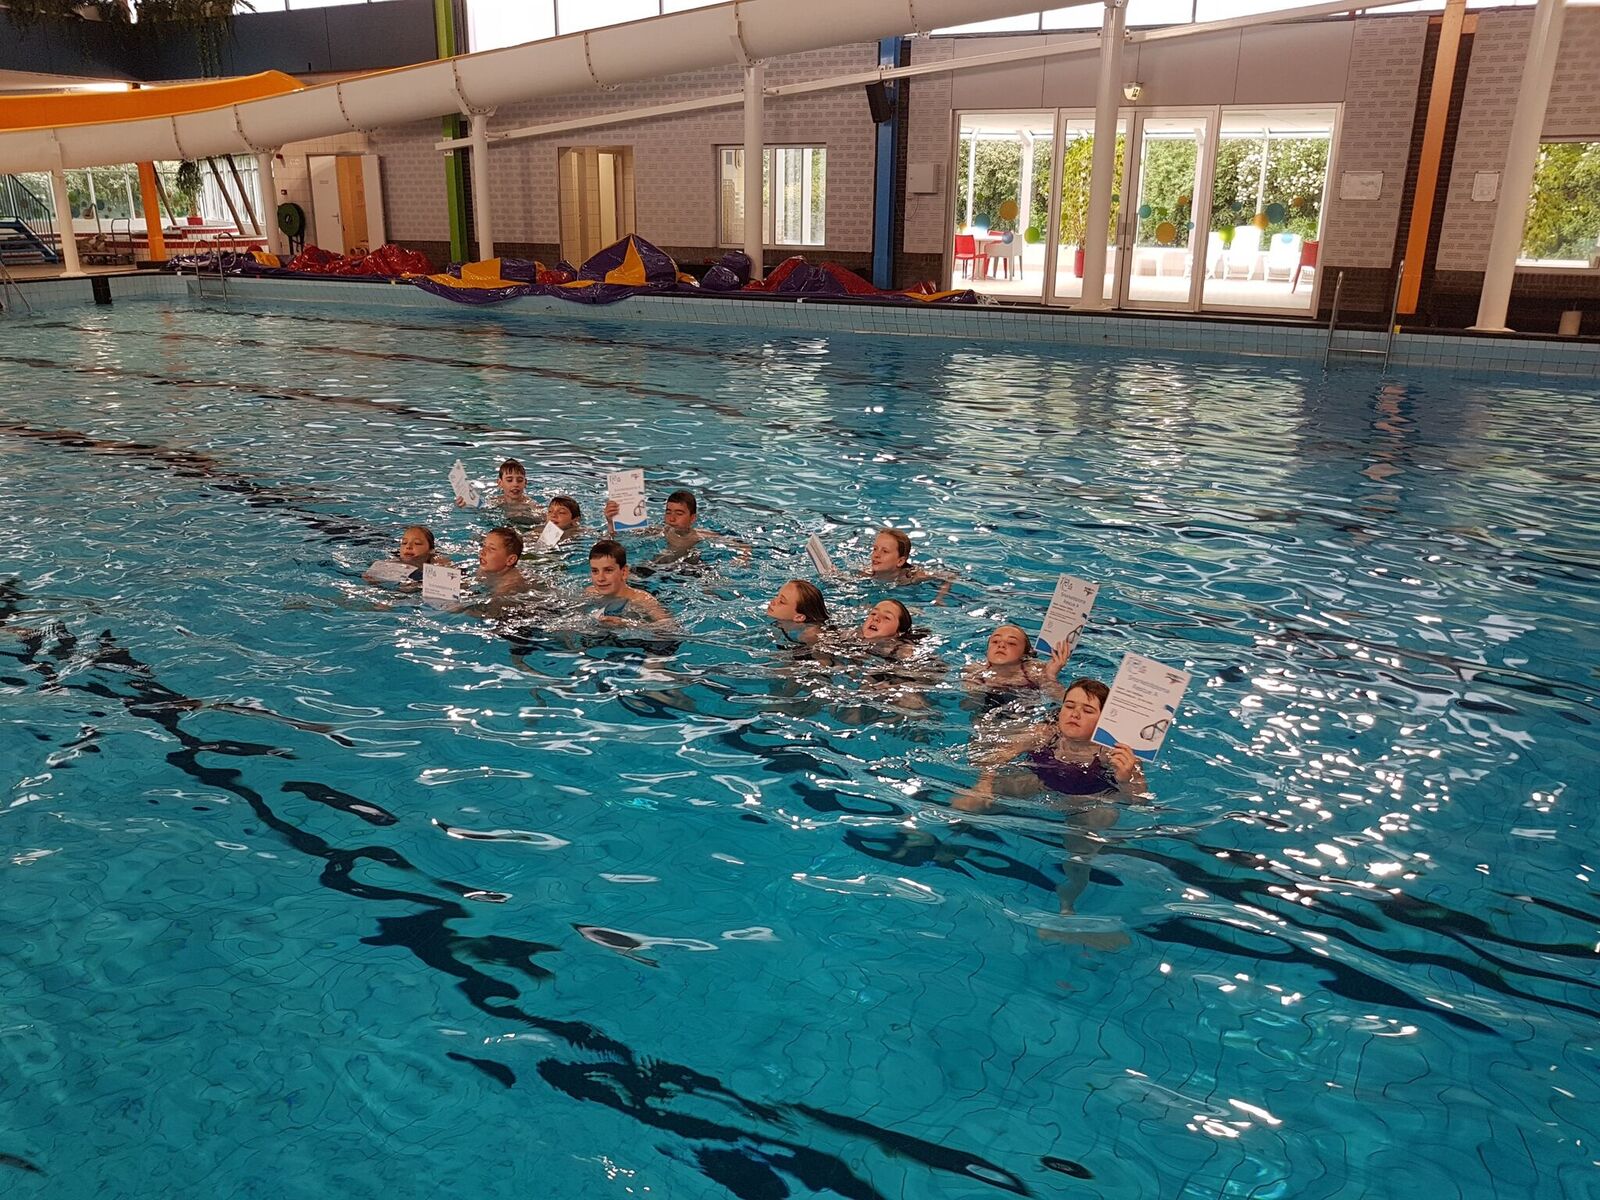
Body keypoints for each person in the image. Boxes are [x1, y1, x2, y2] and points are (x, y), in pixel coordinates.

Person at [954, 678, 1145, 810]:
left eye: (1087, 711)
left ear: (1104, 721)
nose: (1075, 714)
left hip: (1088, 800)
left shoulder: (1115, 752)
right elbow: (998, 754)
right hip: (1041, 783)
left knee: (1099, 819)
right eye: (1069, 706)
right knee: (967, 803)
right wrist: (984, 784)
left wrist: (1125, 779)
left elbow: (1139, 802)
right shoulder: (1045, 733)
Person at [603, 488, 750, 564]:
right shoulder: (659, 530)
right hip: (661, 564)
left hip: (689, 566)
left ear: (692, 518)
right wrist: (611, 522)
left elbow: (743, 546)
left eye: (679, 513)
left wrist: (743, 559)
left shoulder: (700, 535)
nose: (672, 518)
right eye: (668, 512)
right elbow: (618, 537)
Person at [963, 624, 1071, 700]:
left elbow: (1061, 699)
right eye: (995, 641)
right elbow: (967, 706)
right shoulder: (974, 671)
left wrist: (1050, 676)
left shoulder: (1035, 671)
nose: (1001, 645)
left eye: (1011, 643)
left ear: (1024, 653)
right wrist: (974, 689)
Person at [585, 539, 671, 627]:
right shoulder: (591, 593)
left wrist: (628, 624)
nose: (600, 578)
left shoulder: (642, 600)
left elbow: (669, 627)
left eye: (608, 570)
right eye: (595, 571)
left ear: (624, 572)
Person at [864, 527, 953, 602]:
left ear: (900, 561)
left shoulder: (913, 576)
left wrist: (939, 598)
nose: (876, 555)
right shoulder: (866, 573)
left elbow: (950, 575)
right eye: (875, 549)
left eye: (885, 551)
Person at [460, 458, 542, 521]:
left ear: (525, 483)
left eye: (520, 480)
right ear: (500, 483)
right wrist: (465, 504)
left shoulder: (531, 505)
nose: (515, 484)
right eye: (509, 480)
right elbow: (477, 510)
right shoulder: (494, 502)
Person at [364, 525, 449, 583]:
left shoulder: (436, 559)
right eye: (404, 543)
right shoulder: (394, 561)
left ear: (430, 550)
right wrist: (373, 581)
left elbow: (450, 577)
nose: (408, 546)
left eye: (417, 543)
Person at [766, 579, 828, 645]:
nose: (773, 601)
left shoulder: (812, 636)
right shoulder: (782, 622)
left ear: (799, 617)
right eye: (777, 595)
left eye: (781, 601)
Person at [476, 526, 531, 599]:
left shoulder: (509, 587)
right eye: (484, 545)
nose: (482, 552)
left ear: (510, 560)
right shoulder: (486, 568)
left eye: (492, 548)